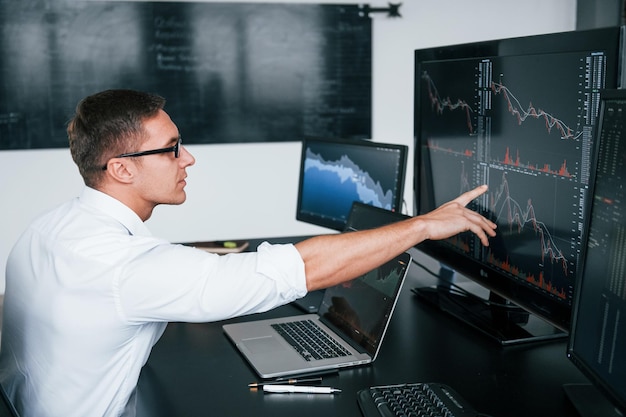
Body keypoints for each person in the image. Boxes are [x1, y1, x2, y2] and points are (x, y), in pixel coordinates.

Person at [0, 89, 497, 417]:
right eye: (171, 148)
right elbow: (302, 269)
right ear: (122, 169)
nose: (187, 158)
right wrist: (424, 225)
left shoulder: (50, 228)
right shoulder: (126, 269)